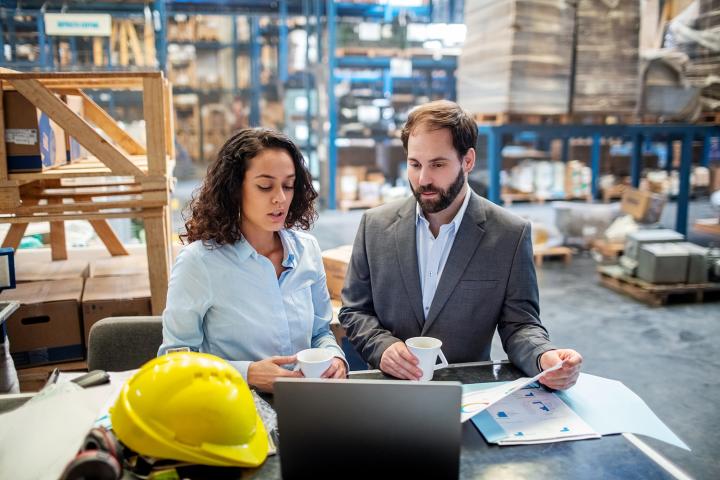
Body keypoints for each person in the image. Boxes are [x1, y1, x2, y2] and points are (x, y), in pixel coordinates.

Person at [339, 100, 581, 390]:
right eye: (414, 164)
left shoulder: (509, 235)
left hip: (466, 393)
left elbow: (520, 325)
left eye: (438, 164)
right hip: (388, 389)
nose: (423, 179)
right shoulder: (375, 226)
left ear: (468, 160)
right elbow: (354, 311)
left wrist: (544, 357)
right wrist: (382, 347)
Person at [159, 128, 347, 392]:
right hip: (235, 406)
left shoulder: (307, 250)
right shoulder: (199, 262)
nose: (280, 198)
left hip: (305, 402)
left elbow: (320, 333)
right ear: (234, 189)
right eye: (265, 186)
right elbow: (173, 361)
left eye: (289, 185)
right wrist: (246, 373)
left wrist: (335, 358)